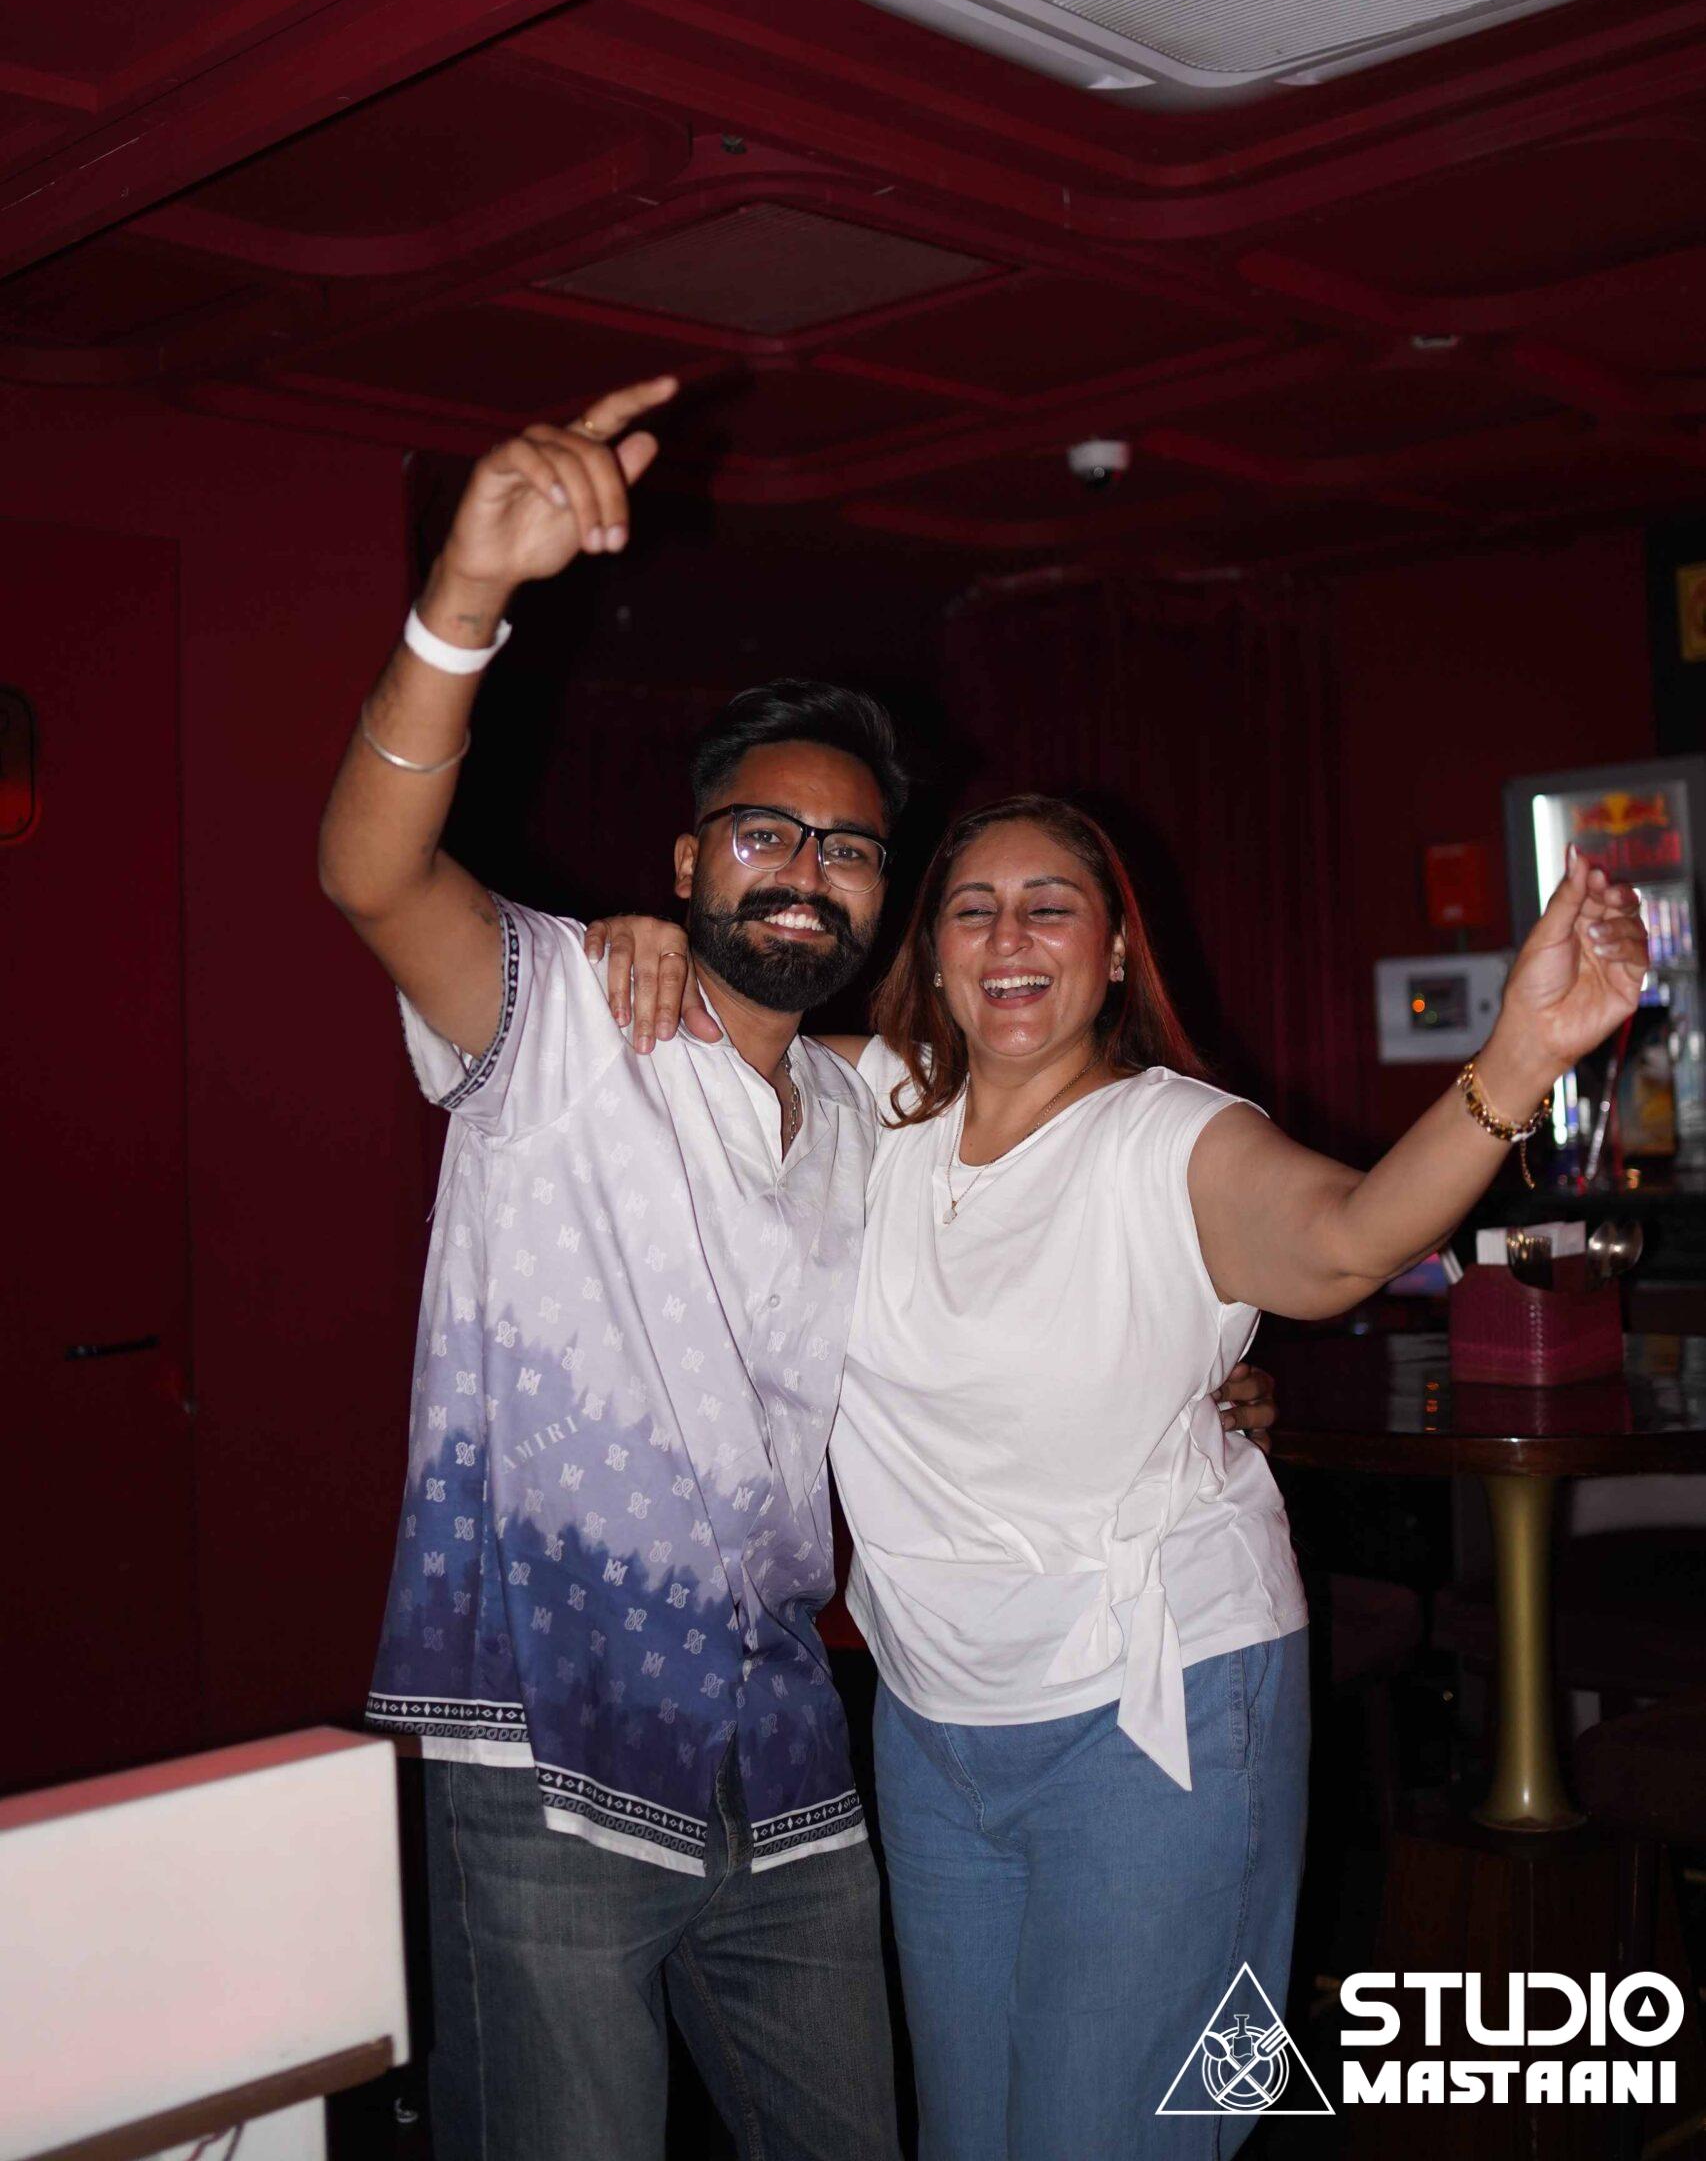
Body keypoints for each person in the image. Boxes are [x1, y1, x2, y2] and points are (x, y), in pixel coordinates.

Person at [318, 373, 1287, 2161]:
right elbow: (374, 872)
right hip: (545, 1745)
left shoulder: (871, 1111)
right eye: (763, 834)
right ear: (689, 858)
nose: (803, 873)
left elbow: (1057, 1222)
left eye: (847, 852)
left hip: (787, 1757)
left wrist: (1201, 1367)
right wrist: (464, 596)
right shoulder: (557, 1018)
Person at [605, 794, 1647, 2161]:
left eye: (1050, 907)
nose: (1008, 937)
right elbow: (692, 1041)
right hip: (933, 1724)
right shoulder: (865, 1106)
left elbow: (1346, 1240)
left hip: (1156, 1709)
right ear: (929, 954)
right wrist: (644, 944)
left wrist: (1518, 1056)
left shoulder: (1175, 1139)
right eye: (972, 909)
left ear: (1110, 955)